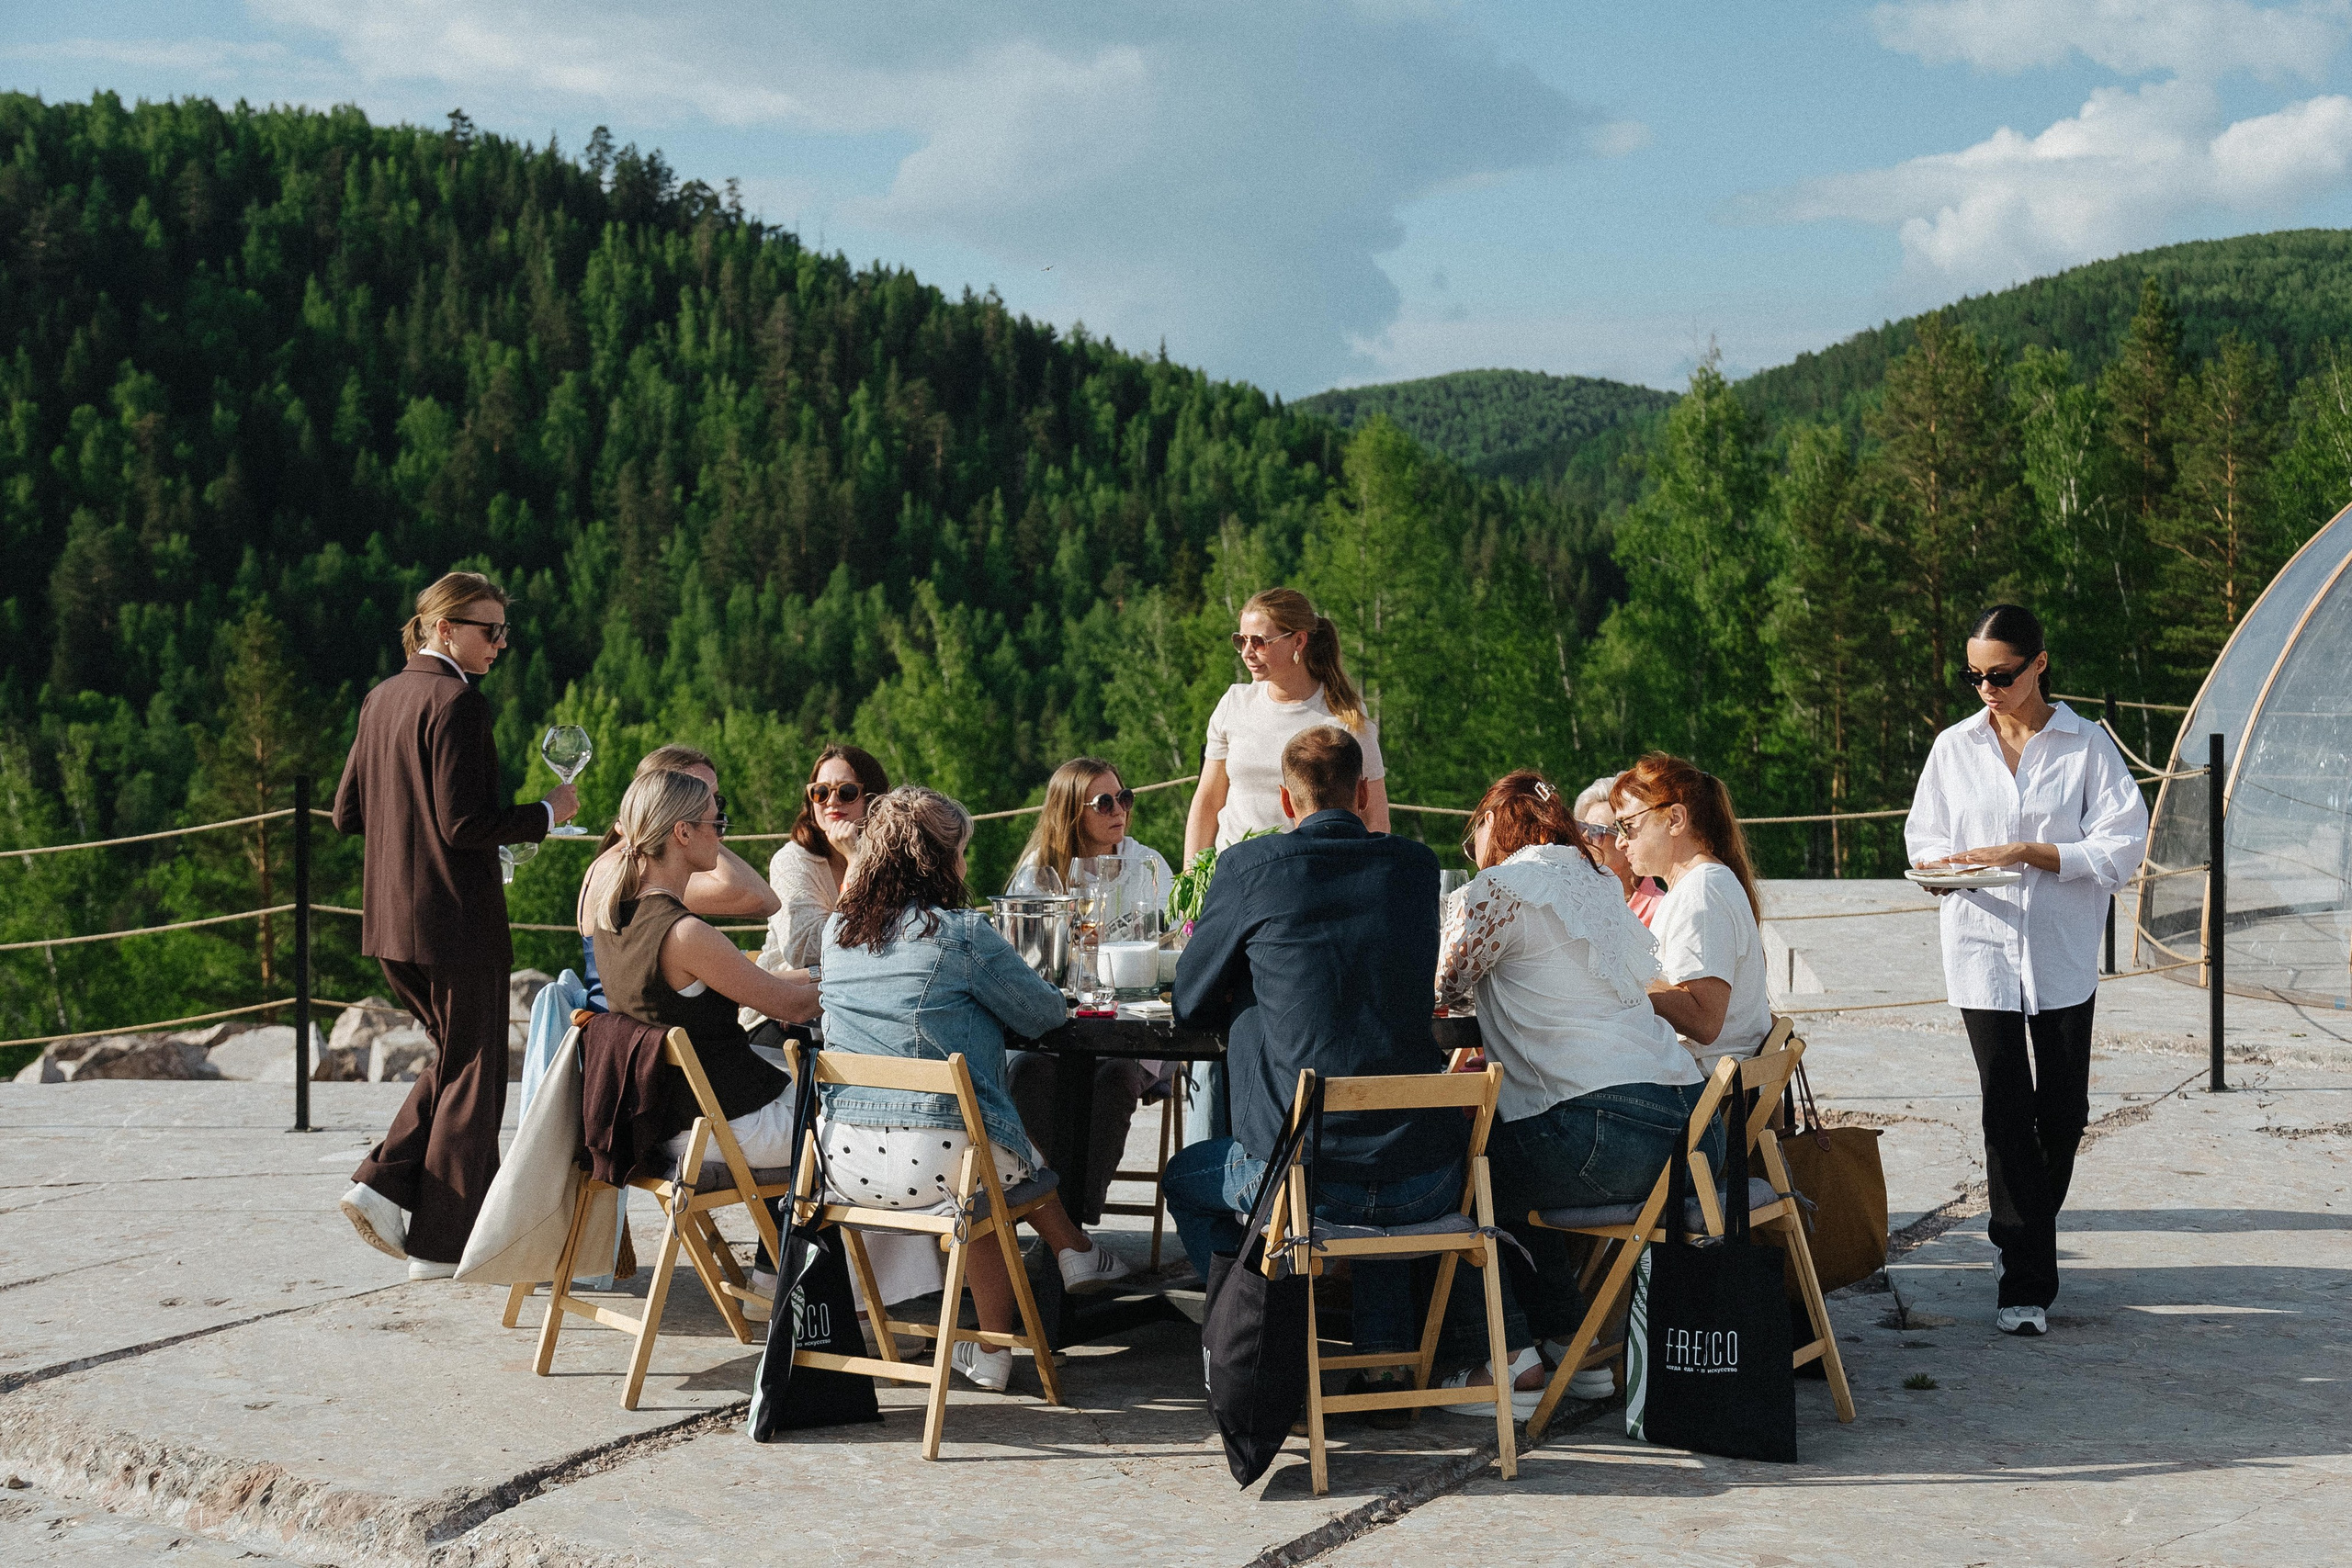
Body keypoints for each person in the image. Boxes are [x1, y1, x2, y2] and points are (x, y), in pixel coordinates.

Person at [1167, 726, 1461, 1408]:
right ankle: (1385, 1362)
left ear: (1285, 799)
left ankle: (1264, 1343)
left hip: (1303, 1190)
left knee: (1187, 1179)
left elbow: (1189, 998)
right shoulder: (1416, 868)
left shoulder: (1253, 867)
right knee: (1377, 1126)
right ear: (1363, 794)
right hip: (1426, 1184)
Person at [818, 785, 1133, 1392]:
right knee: (981, 1164)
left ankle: (1067, 1259)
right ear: (941, 862)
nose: (965, 864)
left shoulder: (837, 933)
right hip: (940, 1166)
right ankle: (1053, 1274)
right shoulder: (961, 934)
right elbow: (1044, 1013)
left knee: (978, 1158)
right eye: (960, 851)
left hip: (845, 1159)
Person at [1427, 772, 1715, 1416]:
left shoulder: (1499, 887)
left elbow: (1441, 985)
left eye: (1475, 825)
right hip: (1693, 1130)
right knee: (1517, 1146)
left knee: (1454, 1159)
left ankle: (1502, 1358)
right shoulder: (1596, 884)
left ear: (1497, 821)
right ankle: (1567, 1341)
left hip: (1605, 1129)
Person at [1905, 604, 2147, 1338]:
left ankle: (2022, 1236)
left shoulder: (2086, 747)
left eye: (2001, 674)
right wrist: (1948, 870)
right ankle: (2025, 1279)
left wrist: (2031, 852)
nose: (1987, 688)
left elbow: (2124, 845)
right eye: (1974, 675)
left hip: (2061, 956)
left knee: (2063, 1115)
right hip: (1981, 949)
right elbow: (1924, 842)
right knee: (2005, 1110)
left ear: (2039, 663)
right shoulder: (1952, 749)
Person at [334, 572, 579, 1280]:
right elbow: (464, 823)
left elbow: (348, 814)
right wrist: (546, 814)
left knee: (457, 1059)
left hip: (389, 922)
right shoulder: (458, 705)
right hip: (457, 922)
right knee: (476, 1073)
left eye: (504, 630)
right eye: (488, 629)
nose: (500, 644)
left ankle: (383, 1184)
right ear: (445, 629)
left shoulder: (381, 698)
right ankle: (439, 1243)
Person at [580, 768, 821, 1175]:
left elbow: (761, 986)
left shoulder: (613, 916)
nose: (721, 834)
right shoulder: (685, 934)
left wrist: (823, 972)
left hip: (669, 1124)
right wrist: (869, 977)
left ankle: (794, 1239)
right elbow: (795, 1008)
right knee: (869, 1125)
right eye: (715, 822)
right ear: (683, 833)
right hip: (730, 1125)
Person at [1004, 757, 1177, 1220]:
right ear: (1070, 812)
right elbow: (1025, 967)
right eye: (1104, 802)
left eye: (1124, 797)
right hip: (1057, 1027)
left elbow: (1169, 942)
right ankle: (1062, 1230)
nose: (1119, 809)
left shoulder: (1146, 866)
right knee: (1027, 1075)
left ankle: (1073, 1223)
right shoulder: (1040, 875)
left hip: (1130, 1024)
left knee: (1117, 1078)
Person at [1183, 586, 1389, 860]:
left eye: (1259, 642)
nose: (1246, 652)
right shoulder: (1234, 703)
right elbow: (1208, 801)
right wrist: (1189, 876)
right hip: (1234, 875)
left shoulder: (1344, 718)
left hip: (1309, 877)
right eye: (1241, 640)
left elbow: (1374, 817)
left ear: (1298, 641)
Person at [579, 745, 779, 1011]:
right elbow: (758, 899)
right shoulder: (631, 869)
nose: (714, 810)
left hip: (636, 1027)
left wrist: (699, 826)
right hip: (634, 1032)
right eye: (699, 797)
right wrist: (701, 828)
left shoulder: (620, 861)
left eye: (715, 801)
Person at [1612, 754, 1775, 1062]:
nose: (1621, 842)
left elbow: (1705, 1021)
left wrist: (1623, 975)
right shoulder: (1701, 885)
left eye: (1627, 826)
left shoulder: (1701, 893)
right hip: (1708, 1084)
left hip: (1700, 1087)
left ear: (1675, 819)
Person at [757, 744, 891, 973]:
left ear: (873, 799)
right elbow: (803, 951)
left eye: (847, 792)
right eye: (821, 792)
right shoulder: (791, 860)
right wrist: (855, 862)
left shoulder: (889, 856)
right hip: (797, 998)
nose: (831, 801)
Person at [1573, 773, 1662, 926]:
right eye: (1582, 827)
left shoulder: (1660, 912)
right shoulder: (1573, 904)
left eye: (1596, 831)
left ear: (1627, 840)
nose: (1584, 837)